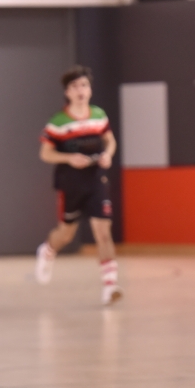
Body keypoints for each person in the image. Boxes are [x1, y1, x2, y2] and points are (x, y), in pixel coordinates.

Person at [34, 65, 122, 305]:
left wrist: (108, 154)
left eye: (84, 85)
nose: (80, 90)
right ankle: (48, 250)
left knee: (103, 232)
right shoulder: (58, 122)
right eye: (75, 87)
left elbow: (110, 140)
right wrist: (69, 158)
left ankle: (110, 286)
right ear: (67, 93)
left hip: (96, 180)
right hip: (70, 183)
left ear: (90, 90)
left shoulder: (99, 115)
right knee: (66, 233)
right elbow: (45, 154)